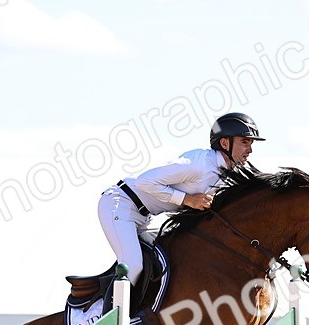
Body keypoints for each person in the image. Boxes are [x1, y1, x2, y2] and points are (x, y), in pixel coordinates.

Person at [98, 112, 264, 285]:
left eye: (250, 143)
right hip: (120, 203)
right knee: (133, 266)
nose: (250, 150)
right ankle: (108, 303)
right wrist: (187, 199)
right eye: (245, 142)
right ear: (224, 143)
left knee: (170, 259)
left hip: (144, 217)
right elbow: (144, 181)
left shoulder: (228, 175)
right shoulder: (198, 163)